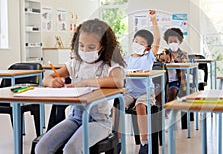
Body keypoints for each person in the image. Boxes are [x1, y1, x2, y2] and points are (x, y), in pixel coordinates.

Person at [35, 19, 125, 154]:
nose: (84, 50)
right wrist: (52, 82)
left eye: (91, 47)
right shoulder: (74, 64)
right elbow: (47, 79)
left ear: (103, 46)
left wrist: (86, 82)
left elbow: (118, 82)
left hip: (99, 122)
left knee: (72, 149)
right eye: (81, 45)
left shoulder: (110, 65)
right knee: (42, 148)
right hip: (75, 118)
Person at [122, 10, 160, 154]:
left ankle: (144, 143)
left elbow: (157, 39)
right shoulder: (127, 59)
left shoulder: (148, 57)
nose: (137, 44)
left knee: (140, 106)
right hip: (129, 92)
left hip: (145, 92)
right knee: (117, 105)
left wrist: (153, 20)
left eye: (141, 43)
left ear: (147, 48)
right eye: (136, 41)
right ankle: (117, 140)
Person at [156, 27, 188, 103]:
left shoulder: (183, 54)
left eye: (175, 41)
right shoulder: (165, 53)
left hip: (177, 81)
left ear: (179, 42)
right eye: (170, 42)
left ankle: (168, 110)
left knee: (172, 92)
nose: (172, 43)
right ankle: (161, 110)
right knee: (157, 93)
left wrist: (177, 60)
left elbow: (186, 62)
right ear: (167, 42)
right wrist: (162, 57)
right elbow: (156, 57)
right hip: (164, 80)